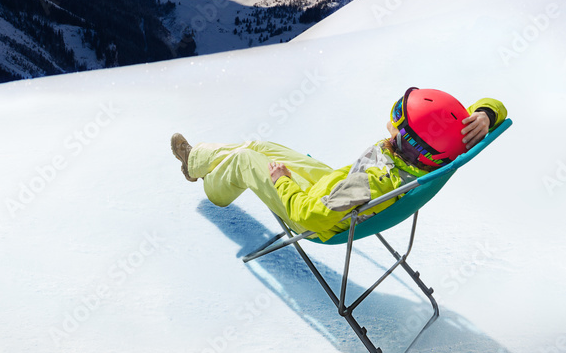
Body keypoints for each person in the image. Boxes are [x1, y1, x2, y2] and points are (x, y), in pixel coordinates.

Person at [170, 89, 507, 241]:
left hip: (314, 208)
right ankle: (196, 160)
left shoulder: (370, 184)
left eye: (396, 120)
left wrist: (282, 181)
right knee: (259, 145)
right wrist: (485, 114)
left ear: (410, 141)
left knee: (247, 159)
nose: (389, 125)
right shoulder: (440, 150)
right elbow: (465, 116)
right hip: (334, 184)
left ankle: (213, 189)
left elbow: (310, 216)